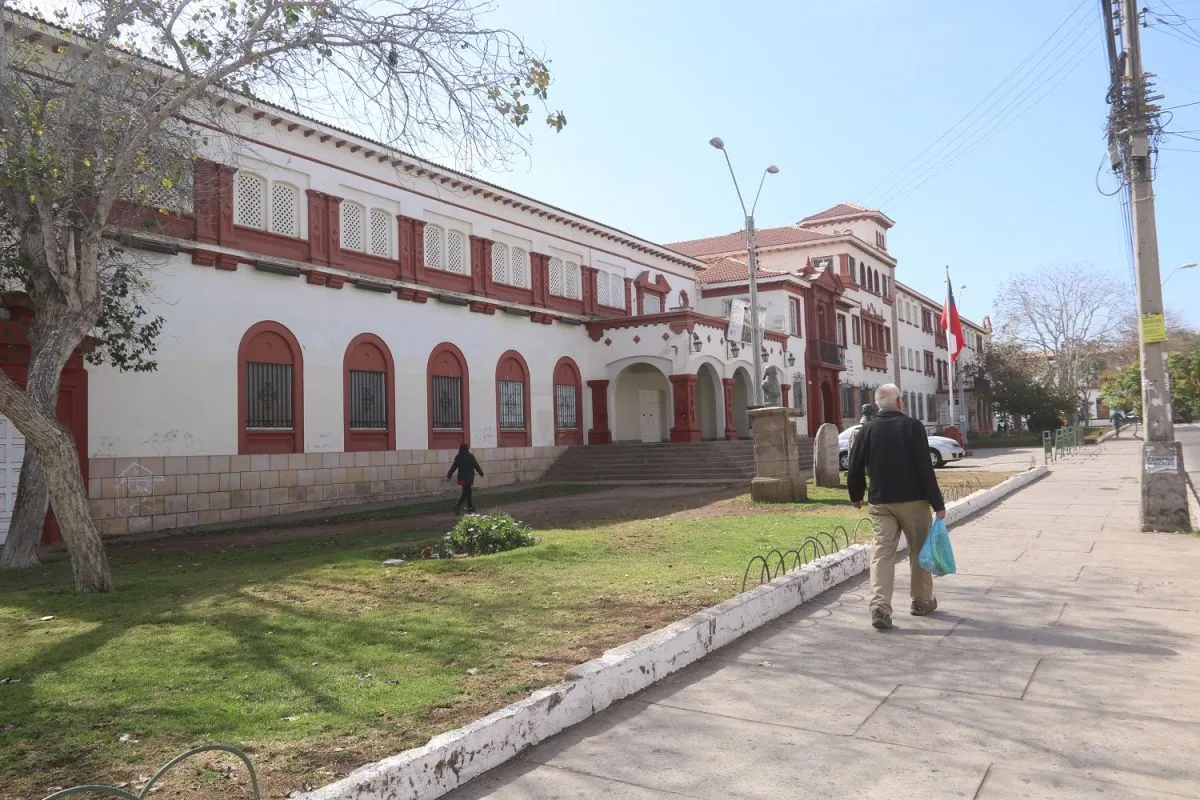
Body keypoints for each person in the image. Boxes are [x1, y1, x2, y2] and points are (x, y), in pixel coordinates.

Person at [847, 384, 946, 631]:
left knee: (882, 553)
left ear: (878, 405)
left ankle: (880, 607)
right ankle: (921, 601)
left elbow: (855, 465)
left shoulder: (866, 429)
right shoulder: (912, 426)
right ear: (900, 402)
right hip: (913, 500)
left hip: (881, 502)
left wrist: (856, 495)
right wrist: (937, 503)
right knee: (919, 551)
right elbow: (925, 466)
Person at [446, 444, 484, 515]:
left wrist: (449, 475)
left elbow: (453, 467)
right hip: (469, 478)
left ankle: (470, 507)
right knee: (466, 493)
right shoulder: (471, 456)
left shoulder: (458, 457)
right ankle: (458, 506)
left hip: (462, 479)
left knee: (468, 492)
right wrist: (481, 473)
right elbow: (476, 465)